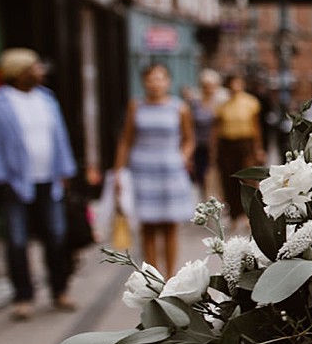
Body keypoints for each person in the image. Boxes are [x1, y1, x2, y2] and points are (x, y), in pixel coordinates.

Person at [0, 48, 79, 320]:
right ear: (19, 73)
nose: (41, 71)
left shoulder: (47, 99)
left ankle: (60, 290)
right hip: (14, 183)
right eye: (35, 67)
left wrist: (66, 170)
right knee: (17, 241)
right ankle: (23, 296)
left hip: (49, 180)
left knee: (56, 236)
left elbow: (59, 136)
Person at [112, 63, 195, 278]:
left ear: (168, 81)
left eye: (160, 78)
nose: (155, 84)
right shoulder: (136, 106)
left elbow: (189, 139)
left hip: (170, 171)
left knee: (170, 226)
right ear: (143, 82)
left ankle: (170, 277)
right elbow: (126, 140)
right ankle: (152, 276)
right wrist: (118, 171)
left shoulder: (179, 107)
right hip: (143, 170)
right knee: (147, 226)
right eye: (151, 79)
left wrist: (182, 156)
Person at [214, 74, 263, 232]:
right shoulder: (223, 106)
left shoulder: (250, 103)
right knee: (230, 181)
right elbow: (216, 129)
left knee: (248, 179)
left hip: (245, 144)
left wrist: (258, 148)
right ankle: (235, 215)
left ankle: (250, 214)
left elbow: (256, 127)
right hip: (227, 145)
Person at [188, 68, 228, 195]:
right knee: (200, 173)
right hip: (199, 143)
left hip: (218, 143)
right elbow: (190, 123)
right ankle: (205, 196)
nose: (208, 88)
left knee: (217, 173)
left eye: (211, 85)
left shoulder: (223, 100)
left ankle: (219, 197)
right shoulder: (195, 102)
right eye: (205, 85)